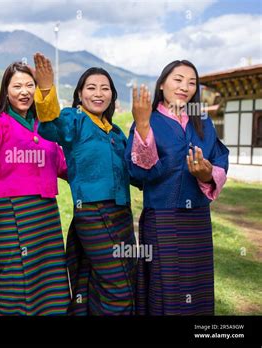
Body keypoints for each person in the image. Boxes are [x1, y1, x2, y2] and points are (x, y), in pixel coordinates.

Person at [0, 60, 70, 316]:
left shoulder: (44, 126)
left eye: (30, 85)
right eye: (17, 86)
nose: (24, 92)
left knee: (50, 276)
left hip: (45, 212)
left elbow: (63, 165)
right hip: (14, 211)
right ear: (6, 91)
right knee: (18, 277)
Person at [35, 53, 137, 315]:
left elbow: (135, 173)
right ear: (80, 94)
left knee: (95, 281)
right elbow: (50, 127)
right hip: (94, 214)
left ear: (113, 97)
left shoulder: (116, 134)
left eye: (105, 89)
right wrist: (46, 89)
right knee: (119, 286)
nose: (98, 93)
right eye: (91, 88)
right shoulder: (75, 120)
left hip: (122, 217)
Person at [125, 60, 229, 315]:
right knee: (165, 288)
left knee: (198, 286)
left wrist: (206, 174)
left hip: (197, 220)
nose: (185, 87)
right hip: (162, 219)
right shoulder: (148, 120)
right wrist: (142, 127)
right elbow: (137, 173)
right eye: (178, 79)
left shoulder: (203, 122)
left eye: (192, 82)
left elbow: (219, 158)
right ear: (162, 83)